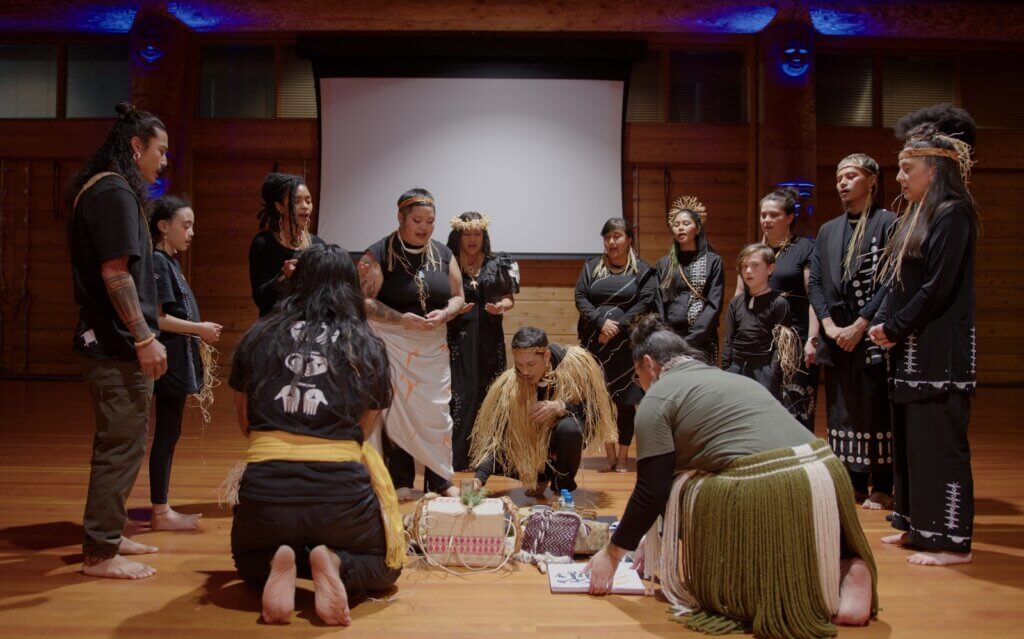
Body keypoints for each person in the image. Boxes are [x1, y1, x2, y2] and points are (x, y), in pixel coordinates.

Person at [585, 317, 878, 639]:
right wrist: (650, 535)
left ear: (649, 364)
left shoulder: (656, 398)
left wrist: (611, 555)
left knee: (691, 486)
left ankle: (763, 589)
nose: (639, 381)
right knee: (694, 475)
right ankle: (842, 565)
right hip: (827, 472)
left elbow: (652, 489)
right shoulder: (733, 379)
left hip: (772, 480)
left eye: (637, 373)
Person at [228, 244, 404, 625]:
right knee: (384, 569)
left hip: (266, 485)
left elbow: (246, 423)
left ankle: (278, 559)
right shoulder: (366, 344)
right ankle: (335, 562)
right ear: (349, 287)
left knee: (247, 561)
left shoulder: (259, 335)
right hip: (340, 490)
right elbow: (364, 428)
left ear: (297, 282)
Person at [869, 105, 979, 567]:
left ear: (933, 170)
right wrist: (881, 325)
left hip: (940, 354)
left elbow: (937, 289)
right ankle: (917, 526)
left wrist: (892, 328)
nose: (899, 178)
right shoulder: (917, 216)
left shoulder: (954, 215)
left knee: (942, 447)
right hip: (910, 355)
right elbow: (899, 284)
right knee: (913, 447)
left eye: (906, 169)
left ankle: (952, 542)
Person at [68, 102, 168, 579]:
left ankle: (110, 529)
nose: (163, 161)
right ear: (136, 147)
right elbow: (115, 275)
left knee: (128, 441)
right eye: (160, 151)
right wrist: (145, 337)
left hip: (116, 344)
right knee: (120, 443)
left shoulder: (111, 189)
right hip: (115, 345)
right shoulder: (114, 193)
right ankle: (100, 552)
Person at [358, 188, 465, 498]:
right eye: (417, 220)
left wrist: (446, 313)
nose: (425, 227)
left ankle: (441, 479)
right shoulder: (377, 254)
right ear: (400, 218)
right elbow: (362, 300)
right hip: (392, 343)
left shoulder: (444, 253)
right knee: (395, 411)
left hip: (432, 344)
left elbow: (459, 296)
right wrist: (399, 319)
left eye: (430, 221)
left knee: (436, 411)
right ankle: (400, 479)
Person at [808, 154, 895, 510]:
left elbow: (891, 280)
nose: (843, 182)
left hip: (870, 332)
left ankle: (884, 483)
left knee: (876, 406)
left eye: (852, 176)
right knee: (843, 408)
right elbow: (815, 282)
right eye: (839, 176)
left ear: (872, 181)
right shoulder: (829, 230)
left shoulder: (889, 223)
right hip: (837, 334)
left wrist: (861, 324)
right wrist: (828, 324)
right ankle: (855, 480)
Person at [471, 326, 617, 497]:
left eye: (531, 364)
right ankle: (541, 477)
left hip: (566, 435)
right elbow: (496, 438)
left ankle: (561, 488)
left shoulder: (576, 365)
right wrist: (479, 478)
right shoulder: (510, 384)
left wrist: (562, 407)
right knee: (507, 448)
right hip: (534, 444)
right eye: (519, 365)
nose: (525, 371)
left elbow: (595, 411)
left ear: (546, 356)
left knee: (569, 428)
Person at [148, 195, 222, 531]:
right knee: (165, 434)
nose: (191, 232)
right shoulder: (158, 262)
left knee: (169, 432)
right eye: (185, 225)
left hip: (177, 358)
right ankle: (160, 511)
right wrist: (199, 329)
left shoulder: (171, 263)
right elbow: (158, 319)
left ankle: (162, 508)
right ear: (164, 227)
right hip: (167, 359)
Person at [575, 218, 657, 472]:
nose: (612, 242)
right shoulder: (591, 268)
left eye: (617, 236)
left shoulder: (643, 270)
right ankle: (609, 455)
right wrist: (601, 322)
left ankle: (623, 456)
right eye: (608, 237)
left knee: (626, 401)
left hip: (627, 344)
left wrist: (616, 326)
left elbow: (645, 302)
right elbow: (580, 296)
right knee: (600, 401)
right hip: (595, 342)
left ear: (629, 239)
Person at [735, 188, 820, 429]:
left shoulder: (805, 248)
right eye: (763, 215)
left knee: (795, 406)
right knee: (758, 408)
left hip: (793, 338)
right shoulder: (752, 252)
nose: (767, 220)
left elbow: (814, 296)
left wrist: (812, 339)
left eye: (773, 215)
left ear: (790, 217)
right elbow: (739, 298)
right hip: (756, 339)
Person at [446, 212, 519, 471]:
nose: (472, 239)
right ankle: (458, 458)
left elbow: (509, 297)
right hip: (458, 337)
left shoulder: (499, 262)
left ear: (484, 236)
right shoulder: (447, 261)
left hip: (490, 337)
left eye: (477, 234)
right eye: (467, 233)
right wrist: (451, 310)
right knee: (461, 394)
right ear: (458, 235)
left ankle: (488, 458)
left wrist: (501, 307)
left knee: (490, 393)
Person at [656, 196, 724, 365]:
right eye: (676, 224)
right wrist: (666, 336)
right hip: (670, 340)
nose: (680, 228)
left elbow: (714, 304)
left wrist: (692, 339)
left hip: (701, 340)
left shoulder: (713, 261)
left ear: (698, 228)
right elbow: (658, 303)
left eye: (686, 224)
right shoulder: (664, 264)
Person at [722, 243, 795, 401]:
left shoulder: (779, 303)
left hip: (764, 371)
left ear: (770, 268)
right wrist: (727, 370)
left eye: (755, 265)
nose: (748, 271)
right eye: (744, 266)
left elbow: (781, 347)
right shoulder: (736, 303)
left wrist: (772, 374)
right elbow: (728, 340)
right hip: (737, 369)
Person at [248, 173, 325, 317]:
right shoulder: (263, 243)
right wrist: (283, 277)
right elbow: (260, 298)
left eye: (308, 201)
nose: (305, 206)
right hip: (275, 328)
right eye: (297, 201)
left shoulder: (317, 245)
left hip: (309, 328)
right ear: (279, 207)